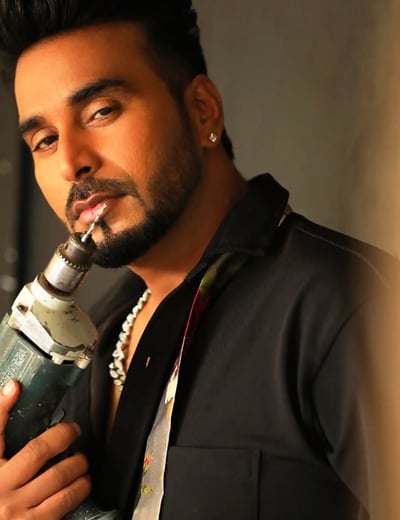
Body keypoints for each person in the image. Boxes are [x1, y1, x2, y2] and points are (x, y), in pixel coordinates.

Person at [0, 1, 398, 518]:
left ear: (203, 110)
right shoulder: (93, 347)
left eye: (101, 111)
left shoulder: (351, 306)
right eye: (45, 140)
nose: (71, 162)